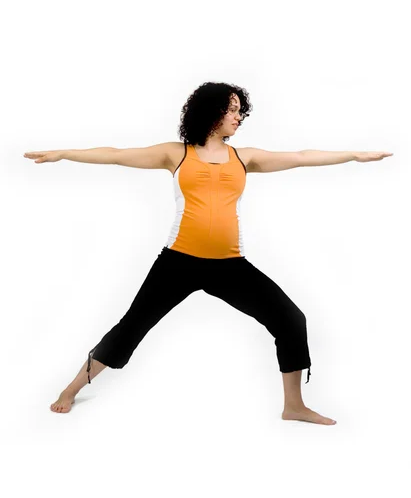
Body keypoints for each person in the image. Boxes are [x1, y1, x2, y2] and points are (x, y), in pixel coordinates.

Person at [24, 81, 393, 423]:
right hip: (178, 262)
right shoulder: (176, 154)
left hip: (230, 265)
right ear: (212, 112)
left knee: (291, 320)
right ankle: (70, 389)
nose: (239, 117)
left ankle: (293, 406)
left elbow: (299, 156)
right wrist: (64, 153)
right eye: (233, 110)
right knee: (129, 329)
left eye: (240, 111)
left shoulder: (244, 158)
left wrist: (354, 155)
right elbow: (118, 154)